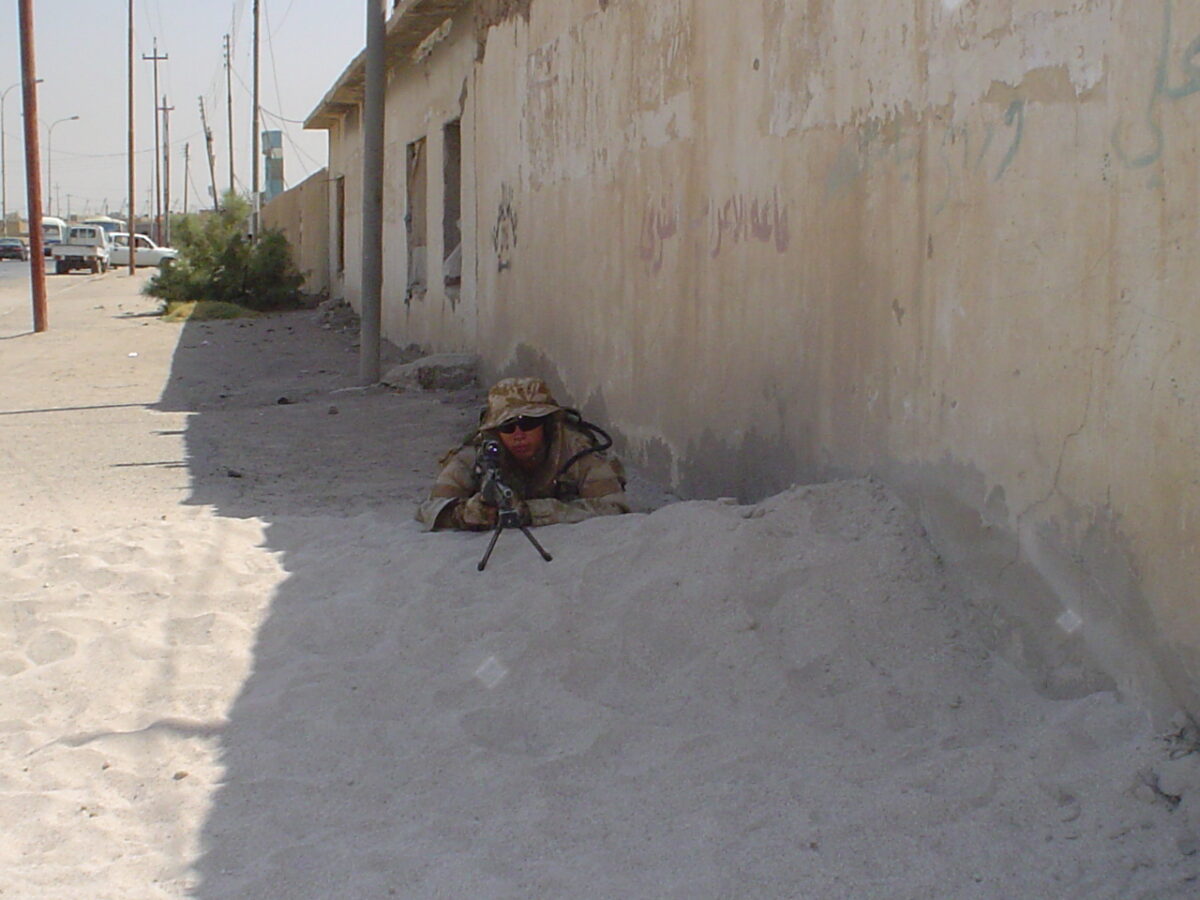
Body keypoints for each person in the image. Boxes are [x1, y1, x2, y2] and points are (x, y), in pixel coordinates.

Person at [417, 376, 630, 531]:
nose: (518, 435)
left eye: (528, 423)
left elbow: (615, 508)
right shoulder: (477, 454)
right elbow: (428, 509)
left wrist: (533, 512)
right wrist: (466, 513)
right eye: (507, 427)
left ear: (546, 425)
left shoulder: (577, 451)